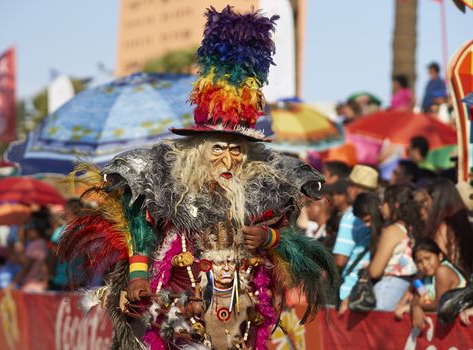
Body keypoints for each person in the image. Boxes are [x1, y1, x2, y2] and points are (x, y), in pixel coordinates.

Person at [58, 6, 337, 350]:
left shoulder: (268, 189)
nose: (229, 158)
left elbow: (297, 245)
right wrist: (138, 276)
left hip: (243, 320)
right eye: (219, 147)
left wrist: (269, 238)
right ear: (199, 148)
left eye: (238, 150)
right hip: (177, 317)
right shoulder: (165, 180)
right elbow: (138, 226)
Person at [333, 165, 379, 308]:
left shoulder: (351, 216)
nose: (349, 190)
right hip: (371, 287)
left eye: (352, 185)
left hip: (351, 287)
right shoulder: (379, 212)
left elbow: (340, 260)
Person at [368, 185, 420, 311]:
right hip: (408, 289)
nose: (381, 207)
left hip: (388, 288)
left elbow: (375, 271)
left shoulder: (393, 231)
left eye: (384, 202)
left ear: (396, 204)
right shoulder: (415, 230)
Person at [337, 191, 382, 314]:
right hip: (349, 292)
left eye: (368, 220)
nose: (367, 225)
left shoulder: (384, 237)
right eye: (363, 221)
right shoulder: (370, 237)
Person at [410, 239, 467, 330]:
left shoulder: (442, 271)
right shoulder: (426, 277)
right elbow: (416, 299)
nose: (424, 265)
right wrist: (416, 307)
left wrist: (419, 305)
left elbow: (440, 305)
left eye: (427, 258)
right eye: (419, 262)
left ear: (440, 256)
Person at [424, 178, 473, 276]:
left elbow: (444, 257)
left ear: (435, 200)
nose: (426, 204)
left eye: (427, 199)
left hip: (447, 277)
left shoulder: (443, 227)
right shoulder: (462, 223)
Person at [7, 217, 49, 292]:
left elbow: (26, 266)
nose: (27, 232)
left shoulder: (35, 244)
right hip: (38, 284)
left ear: (36, 231)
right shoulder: (42, 243)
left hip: (32, 285)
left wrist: (13, 284)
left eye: (29, 230)